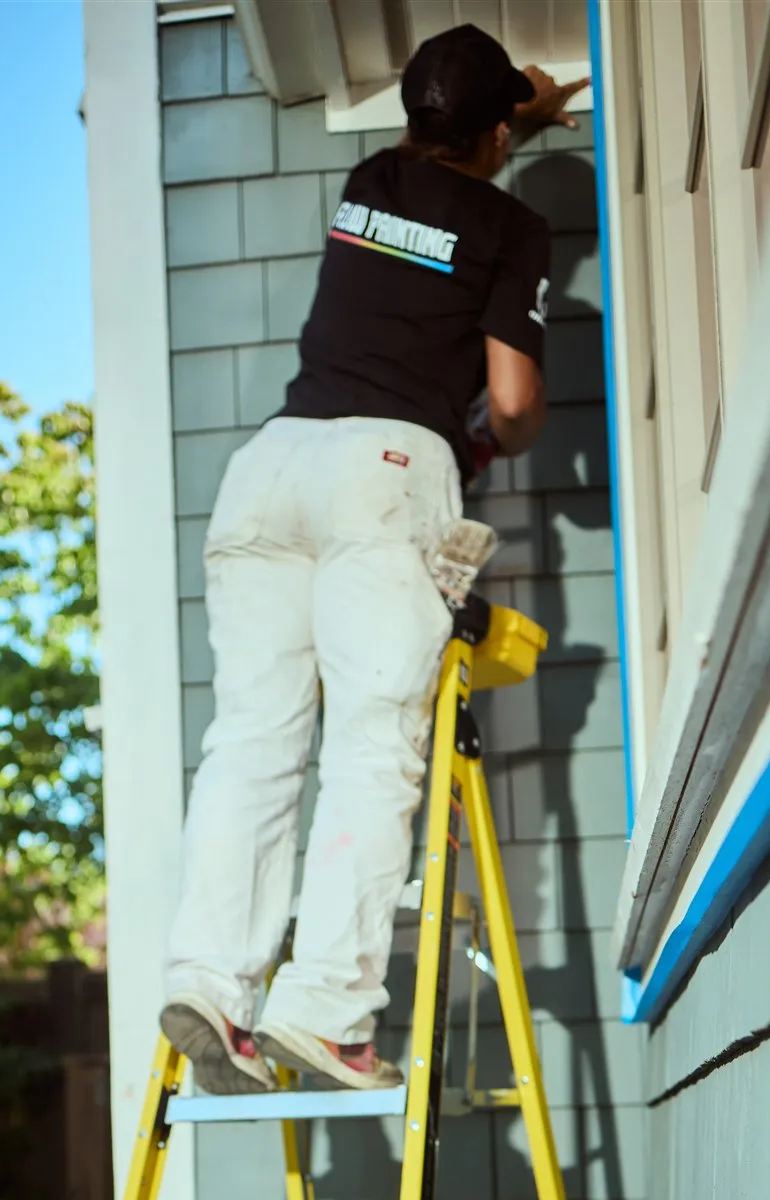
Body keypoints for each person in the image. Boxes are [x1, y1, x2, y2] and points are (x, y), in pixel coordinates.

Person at [161, 23, 586, 1095]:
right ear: (496, 133)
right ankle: (327, 1012)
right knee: (372, 741)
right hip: (385, 471)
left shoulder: (372, 178)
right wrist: (491, 441)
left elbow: (451, 160)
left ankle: (210, 981)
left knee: (252, 739)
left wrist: (506, 112)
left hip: (270, 468)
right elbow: (515, 403)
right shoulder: (514, 227)